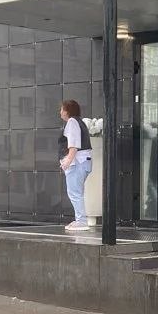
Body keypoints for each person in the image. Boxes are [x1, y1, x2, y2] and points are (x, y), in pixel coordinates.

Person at [59, 99, 92, 233]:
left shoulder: (72, 122)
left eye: (62, 109)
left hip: (77, 163)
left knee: (74, 193)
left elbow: (73, 144)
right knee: (77, 192)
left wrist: (67, 161)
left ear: (67, 111)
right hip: (84, 162)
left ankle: (81, 221)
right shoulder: (80, 122)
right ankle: (80, 219)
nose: (60, 112)